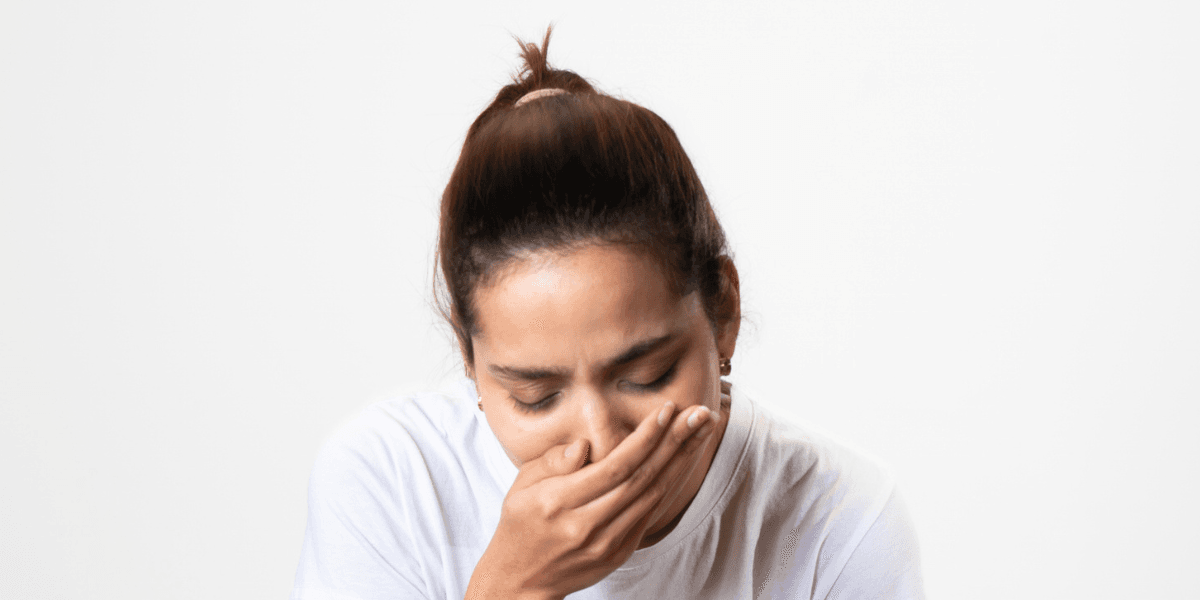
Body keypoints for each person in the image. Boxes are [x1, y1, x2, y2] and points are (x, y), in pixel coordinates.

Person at [290, 29, 925, 600]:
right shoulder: (392, 482)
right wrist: (511, 588)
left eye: (646, 375)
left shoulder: (837, 520)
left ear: (724, 311)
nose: (599, 440)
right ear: (471, 361)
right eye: (536, 396)